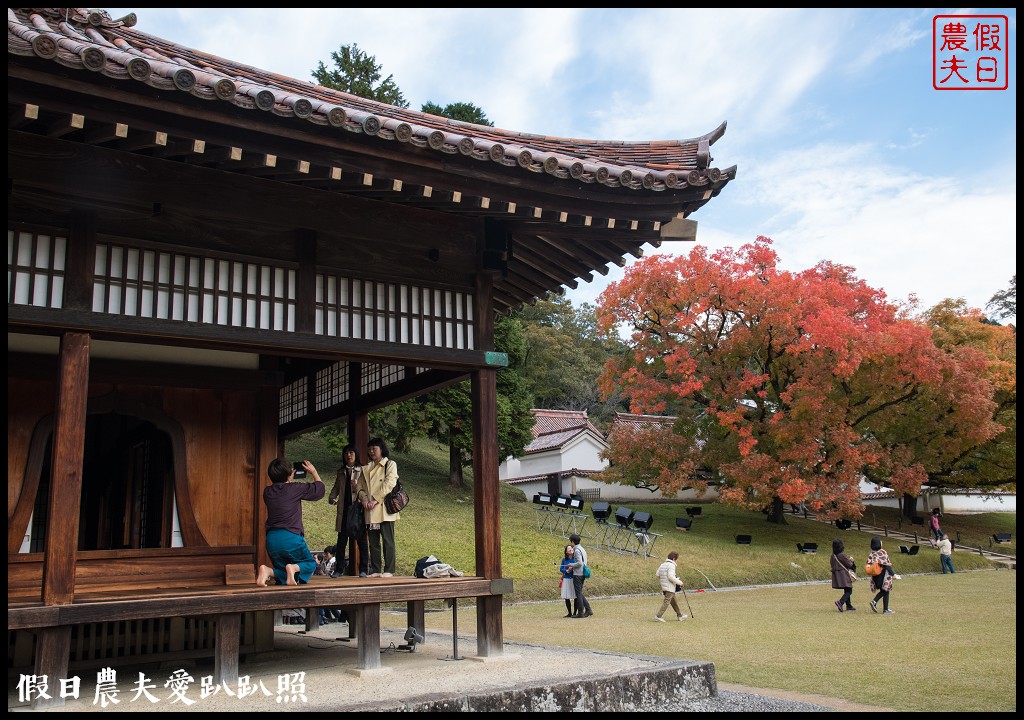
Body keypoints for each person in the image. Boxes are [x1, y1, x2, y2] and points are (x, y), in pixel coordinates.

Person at [256, 458, 324, 587]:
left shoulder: (267, 492)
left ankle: (268, 571)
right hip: (290, 537)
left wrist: (288, 478)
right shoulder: (295, 488)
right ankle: (292, 568)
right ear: (291, 473)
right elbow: (319, 490)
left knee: (285, 571)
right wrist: (314, 471)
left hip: (272, 540)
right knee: (310, 564)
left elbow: (281, 491)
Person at [358, 438, 400, 577]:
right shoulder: (366, 468)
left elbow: (390, 483)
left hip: (384, 509)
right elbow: (359, 486)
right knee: (373, 541)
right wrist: (364, 498)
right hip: (369, 509)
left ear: (381, 449)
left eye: (374, 448)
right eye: (369, 449)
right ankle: (376, 569)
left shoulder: (390, 464)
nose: (371, 452)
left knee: (388, 540)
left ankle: (389, 569)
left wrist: (375, 499)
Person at [329, 444, 368, 577]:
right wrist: (332, 497)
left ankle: (363, 569)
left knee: (361, 540)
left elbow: (365, 489)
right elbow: (336, 487)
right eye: (346, 453)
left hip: (357, 509)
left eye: (351, 452)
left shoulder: (362, 470)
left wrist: (357, 487)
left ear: (356, 454)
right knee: (341, 541)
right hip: (343, 509)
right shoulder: (341, 471)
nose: (348, 455)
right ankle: (339, 569)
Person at [654, 551, 688, 622]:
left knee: (674, 602)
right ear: (674, 558)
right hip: (669, 587)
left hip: (664, 586)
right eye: (676, 559)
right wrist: (680, 582)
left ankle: (680, 615)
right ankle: (658, 616)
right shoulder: (671, 565)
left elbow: (657, 574)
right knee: (666, 602)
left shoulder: (662, 564)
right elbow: (671, 577)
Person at [867, 536, 896, 614]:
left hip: (875, 575)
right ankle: (875, 602)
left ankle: (885, 609)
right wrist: (893, 574)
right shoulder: (882, 552)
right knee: (885, 590)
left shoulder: (872, 553)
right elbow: (887, 565)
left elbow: (869, 563)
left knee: (884, 591)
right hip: (883, 575)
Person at [568, 534, 592, 618]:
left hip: (578, 573)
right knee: (579, 592)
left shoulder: (577, 550)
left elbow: (579, 563)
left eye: (571, 541)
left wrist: (572, 565)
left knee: (578, 593)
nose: (570, 543)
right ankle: (588, 609)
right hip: (582, 573)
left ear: (573, 542)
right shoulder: (582, 549)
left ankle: (581, 612)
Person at [829, 538, 857, 612]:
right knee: (849, 590)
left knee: (847, 589)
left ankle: (849, 606)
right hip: (844, 575)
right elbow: (849, 564)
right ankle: (840, 602)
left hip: (837, 575)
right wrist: (851, 560)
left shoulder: (833, 556)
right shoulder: (841, 555)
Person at [558, 545, 576, 617]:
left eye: (571, 548)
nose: (570, 549)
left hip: (573, 578)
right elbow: (561, 569)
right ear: (566, 551)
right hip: (566, 578)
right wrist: (566, 571)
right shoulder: (564, 560)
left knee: (575, 596)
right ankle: (569, 612)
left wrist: (572, 568)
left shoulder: (575, 559)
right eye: (568, 549)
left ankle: (575, 612)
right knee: (566, 596)